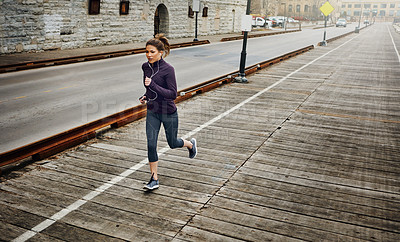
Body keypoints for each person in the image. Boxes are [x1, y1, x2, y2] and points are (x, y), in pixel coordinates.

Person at [139, 34, 197, 190]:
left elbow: (172, 94)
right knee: (151, 145)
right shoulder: (145, 67)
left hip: (168, 112)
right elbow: (150, 88)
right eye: (146, 52)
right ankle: (154, 178)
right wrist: (146, 96)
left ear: (161, 53)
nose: (148, 55)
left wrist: (153, 86)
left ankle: (190, 144)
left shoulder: (168, 70)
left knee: (173, 143)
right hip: (152, 111)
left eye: (152, 52)